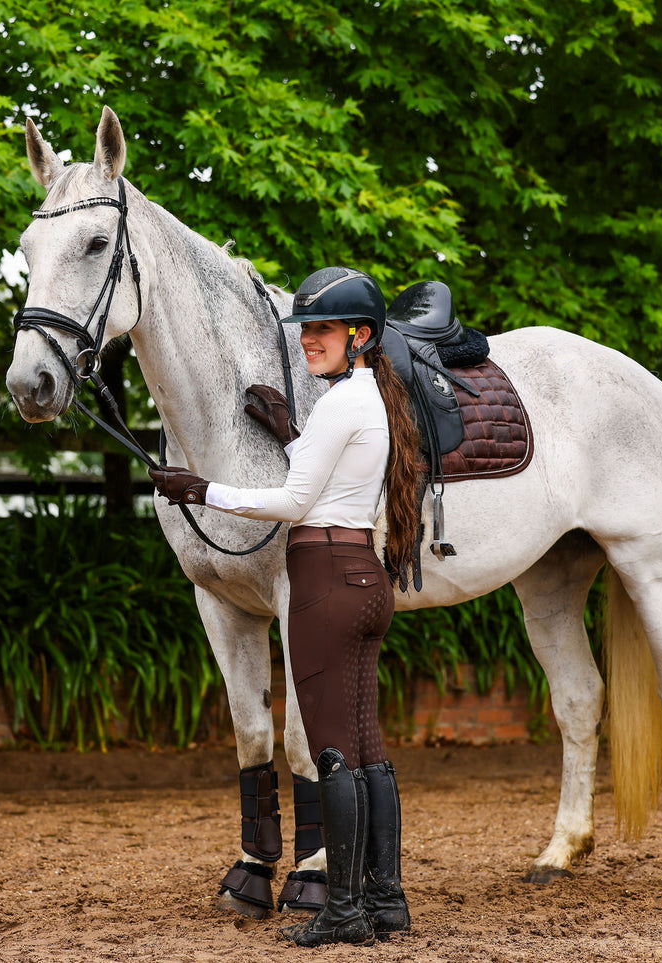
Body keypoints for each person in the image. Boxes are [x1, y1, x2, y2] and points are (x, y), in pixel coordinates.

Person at [149, 266, 422, 947]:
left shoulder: (340, 403)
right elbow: (328, 477)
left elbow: (295, 503)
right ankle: (385, 899)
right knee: (367, 752)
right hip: (363, 575)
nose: (307, 340)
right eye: (305, 329)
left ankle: (344, 906)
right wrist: (287, 429)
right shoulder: (368, 398)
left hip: (325, 582)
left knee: (331, 751)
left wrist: (200, 488)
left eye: (323, 330)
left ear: (359, 335)